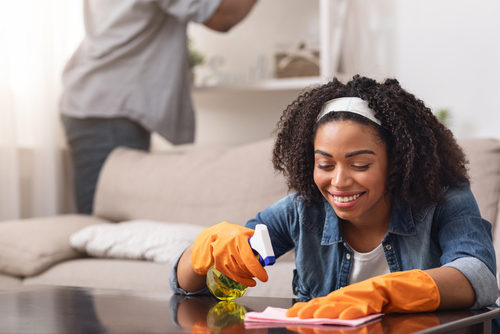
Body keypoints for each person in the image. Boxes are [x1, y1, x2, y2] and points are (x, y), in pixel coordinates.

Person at [170, 75, 498, 319]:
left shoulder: (442, 199)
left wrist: (387, 291)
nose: (338, 182)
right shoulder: (302, 210)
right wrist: (202, 249)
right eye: (324, 164)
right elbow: (192, 286)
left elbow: (478, 274)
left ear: (396, 162)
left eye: (360, 164)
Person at [61, 0, 258, 214]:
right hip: (108, 112)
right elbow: (224, 14)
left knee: (109, 225)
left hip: (102, 106)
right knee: (105, 227)